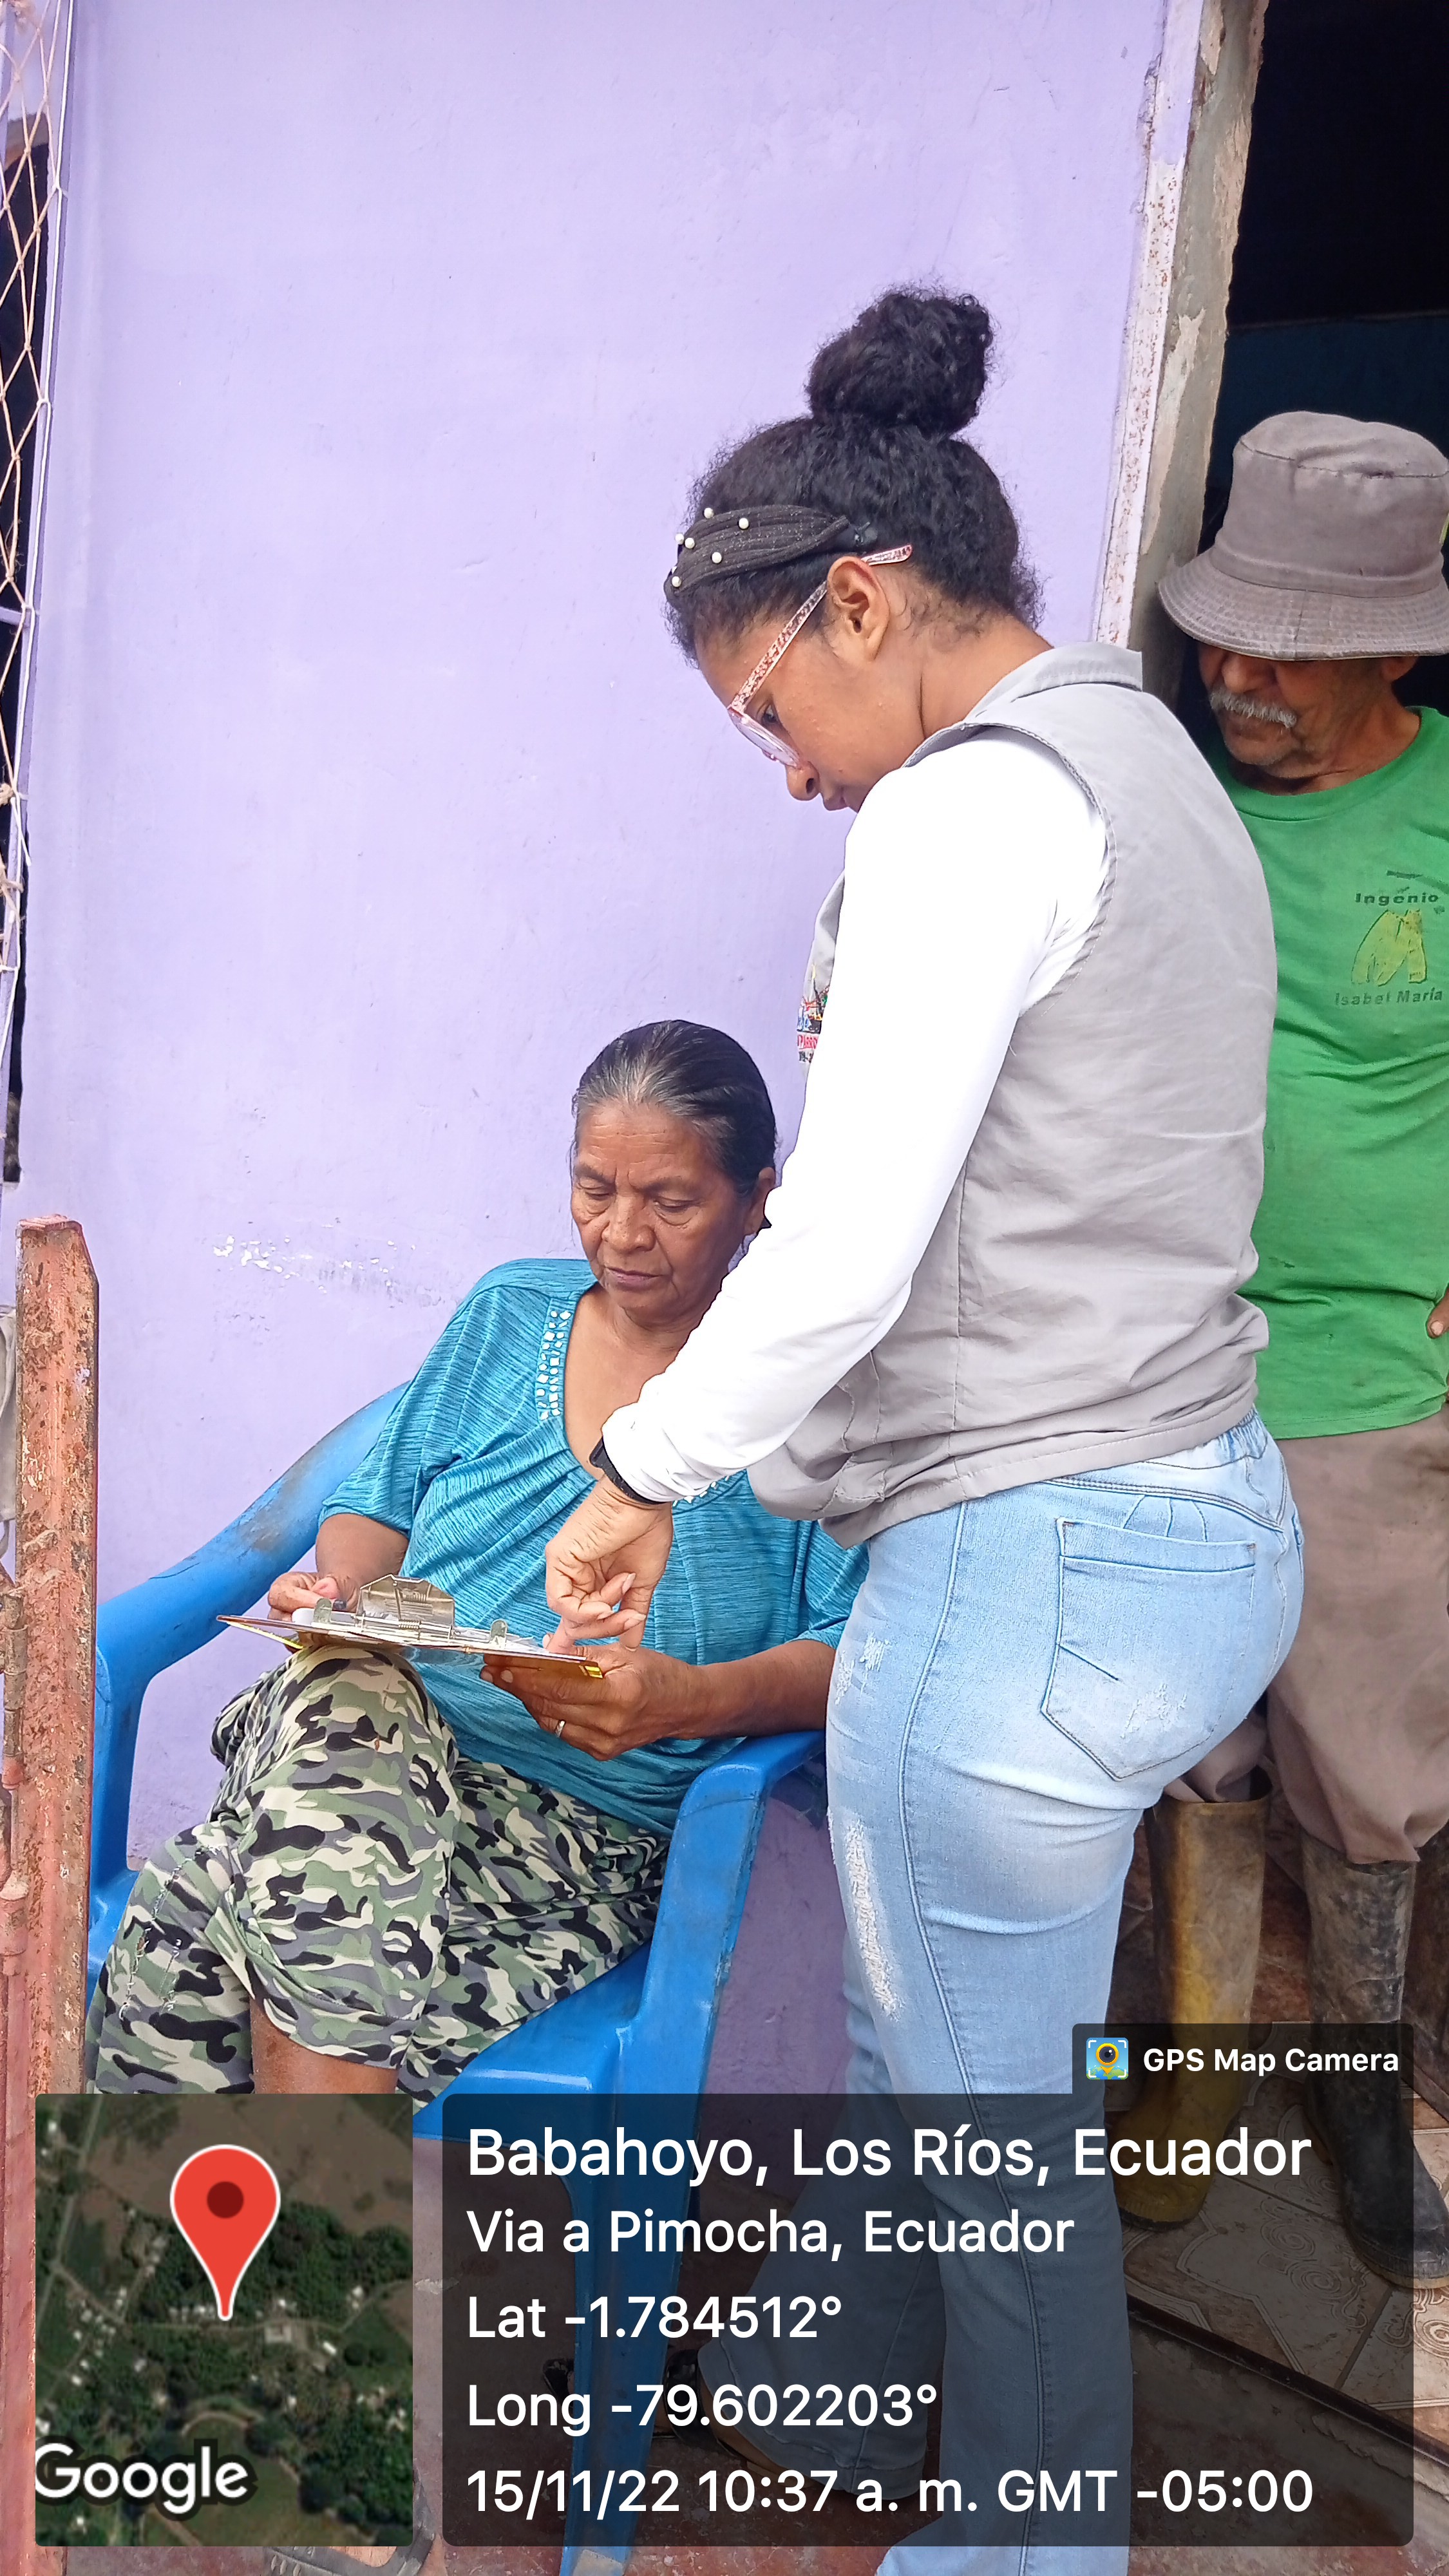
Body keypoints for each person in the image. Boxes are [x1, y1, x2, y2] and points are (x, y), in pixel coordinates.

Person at [541, 289, 1304, 2571]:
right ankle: (827, 2375)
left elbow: (850, 1241)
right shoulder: (1146, 764)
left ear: (862, 603)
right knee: (940, 2037)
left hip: (1030, 1563)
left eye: (772, 708)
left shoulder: (970, 815)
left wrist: (644, 1472)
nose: (789, 773)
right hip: (1187, 1514)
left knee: (996, 2159)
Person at [86, 1020, 864, 2102]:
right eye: (594, 1189)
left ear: (755, 1200)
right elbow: (373, 1505)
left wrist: (684, 1702)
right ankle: (321, 2206)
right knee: (353, 1697)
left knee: (195, 1914)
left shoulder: (813, 1397)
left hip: (576, 1835)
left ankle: (241, 2216)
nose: (622, 1233)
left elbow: (848, 1653)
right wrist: (339, 1592)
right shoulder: (510, 1314)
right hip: (367, 1737)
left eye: (671, 1202)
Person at [1139, 412, 1449, 2284]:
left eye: (1289, 653)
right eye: (1225, 640)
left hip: (1371, 1389)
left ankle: (1356, 2091)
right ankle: (1190, 2077)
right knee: (1196, 1743)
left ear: (1396, 648)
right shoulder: (1166, 803)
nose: (1239, 680)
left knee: (1368, 1774)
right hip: (1169, 1366)